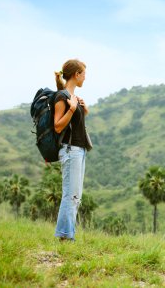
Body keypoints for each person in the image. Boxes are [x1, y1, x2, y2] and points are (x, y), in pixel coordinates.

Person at [53, 59, 89, 241]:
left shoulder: (73, 96)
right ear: (76, 75)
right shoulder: (62, 97)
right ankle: (66, 237)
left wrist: (82, 108)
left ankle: (67, 235)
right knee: (70, 195)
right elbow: (58, 126)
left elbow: (77, 123)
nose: (85, 78)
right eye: (83, 74)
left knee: (76, 197)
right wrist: (71, 109)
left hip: (79, 150)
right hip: (70, 150)